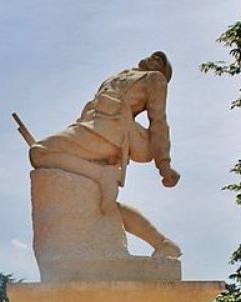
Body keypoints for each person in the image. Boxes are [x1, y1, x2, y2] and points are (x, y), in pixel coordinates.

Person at [29, 51, 181, 258]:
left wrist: (164, 164)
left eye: (160, 61)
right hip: (90, 125)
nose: (154, 59)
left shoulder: (155, 79)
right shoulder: (119, 76)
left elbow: (159, 121)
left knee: (39, 153)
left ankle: (100, 174)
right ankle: (162, 243)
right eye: (154, 56)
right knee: (95, 200)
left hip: (110, 131)